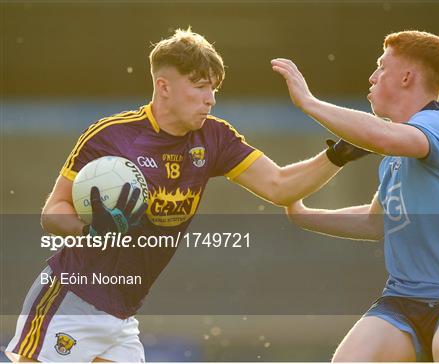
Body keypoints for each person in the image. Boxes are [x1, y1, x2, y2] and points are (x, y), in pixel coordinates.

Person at [5, 27, 365, 362]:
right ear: (164, 87)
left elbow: (280, 186)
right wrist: (92, 230)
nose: (210, 100)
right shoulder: (110, 136)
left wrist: (337, 156)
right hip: (70, 300)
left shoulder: (215, 138)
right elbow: (52, 212)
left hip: (121, 317)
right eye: (199, 87)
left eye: (214, 90)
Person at [272, 30, 439, 362]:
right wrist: (304, 215)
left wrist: (309, 103)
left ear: (407, 76)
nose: (371, 77)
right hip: (403, 300)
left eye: (381, 67)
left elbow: (382, 136)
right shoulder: (394, 160)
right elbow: (376, 222)